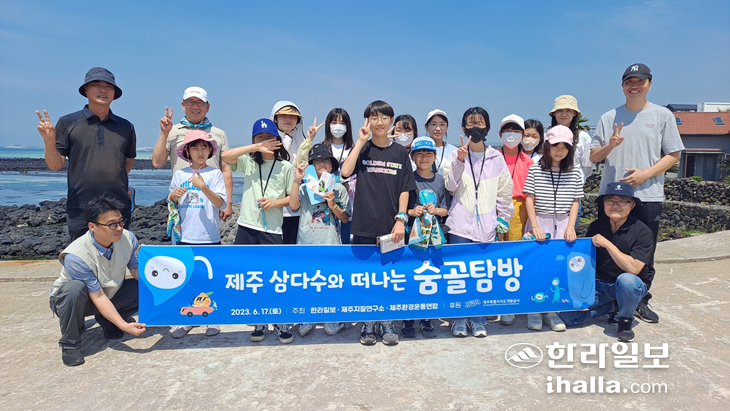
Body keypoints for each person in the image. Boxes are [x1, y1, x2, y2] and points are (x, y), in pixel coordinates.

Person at [590, 63, 685, 324]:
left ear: (649, 84)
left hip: (648, 194)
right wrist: (610, 145)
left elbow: (674, 155)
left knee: (645, 253)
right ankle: (612, 298)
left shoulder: (662, 115)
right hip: (612, 197)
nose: (634, 86)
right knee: (606, 249)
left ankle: (640, 299)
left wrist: (645, 174)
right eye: (629, 82)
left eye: (640, 81)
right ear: (622, 86)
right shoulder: (608, 117)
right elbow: (594, 156)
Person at [341, 100, 417, 346]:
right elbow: (345, 172)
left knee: (388, 276)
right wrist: (360, 141)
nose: (379, 122)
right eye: (374, 118)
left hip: (390, 226)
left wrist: (400, 219)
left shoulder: (400, 153)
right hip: (363, 224)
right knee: (365, 277)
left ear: (391, 121)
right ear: (367, 122)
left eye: (384, 118)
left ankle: (386, 322)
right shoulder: (362, 149)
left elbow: (405, 188)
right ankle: (367, 323)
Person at [36, 67, 136, 242]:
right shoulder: (68, 122)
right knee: (81, 256)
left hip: (118, 206)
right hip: (80, 206)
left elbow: (127, 163)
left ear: (114, 93)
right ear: (86, 90)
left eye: (108, 87)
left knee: (118, 256)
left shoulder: (126, 126)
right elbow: (55, 165)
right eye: (97, 85)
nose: (103, 90)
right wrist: (49, 141)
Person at [48, 196, 146, 366]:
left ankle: (108, 320)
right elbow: (98, 296)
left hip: (109, 293)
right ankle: (70, 344)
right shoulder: (76, 255)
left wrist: (147, 262)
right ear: (92, 226)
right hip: (76, 301)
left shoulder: (128, 238)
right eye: (112, 225)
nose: (119, 228)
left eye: (121, 222)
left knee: (143, 288)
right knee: (74, 289)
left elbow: (136, 273)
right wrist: (124, 326)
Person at [221, 118, 294, 344]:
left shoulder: (286, 166)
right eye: (260, 137)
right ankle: (259, 320)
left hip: (272, 229)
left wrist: (275, 202)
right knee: (250, 275)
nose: (265, 141)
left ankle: (279, 321)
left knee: (274, 277)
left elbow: (293, 200)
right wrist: (255, 147)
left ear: (278, 140)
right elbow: (225, 157)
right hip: (247, 226)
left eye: (269, 137)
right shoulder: (250, 162)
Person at [443, 107, 514, 338]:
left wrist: (503, 218)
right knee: (459, 274)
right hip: (460, 225)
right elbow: (450, 186)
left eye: (480, 123)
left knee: (482, 276)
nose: (476, 127)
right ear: (464, 128)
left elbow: (504, 191)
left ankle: (478, 319)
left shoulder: (496, 158)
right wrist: (460, 161)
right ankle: (458, 319)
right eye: (471, 123)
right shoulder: (455, 155)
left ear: (488, 127)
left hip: (487, 226)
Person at [559, 182, 654, 342]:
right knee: (568, 317)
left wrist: (607, 244)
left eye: (621, 201)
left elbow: (633, 269)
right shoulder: (596, 226)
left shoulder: (642, 231)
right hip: (600, 284)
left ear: (631, 205)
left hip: (628, 285)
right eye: (610, 201)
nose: (615, 205)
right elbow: (585, 262)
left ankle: (625, 320)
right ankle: (613, 306)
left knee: (627, 280)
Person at [523, 125, 584, 332]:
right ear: (547, 146)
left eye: (564, 147)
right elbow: (529, 198)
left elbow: (575, 201)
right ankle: (534, 310)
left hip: (564, 223)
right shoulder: (535, 168)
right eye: (555, 146)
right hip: (540, 220)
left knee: (558, 268)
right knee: (537, 267)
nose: (560, 151)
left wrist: (571, 226)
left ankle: (552, 312)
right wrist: (535, 226)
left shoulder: (575, 171)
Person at [167, 130, 226, 338]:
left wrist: (203, 187)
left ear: (210, 151)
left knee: (210, 279)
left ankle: (212, 317)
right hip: (184, 236)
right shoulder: (179, 175)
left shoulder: (214, 174)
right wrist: (173, 196)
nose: (200, 152)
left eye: (204, 147)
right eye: (195, 148)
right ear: (187, 152)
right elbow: (171, 203)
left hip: (209, 236)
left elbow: (220, 203)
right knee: (187, 278)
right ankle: (188, 318)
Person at [289, 144, 351, 337]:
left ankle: (334, 317)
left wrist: (332, 205)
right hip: (306, 242)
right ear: (312, 166)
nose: (322, 164)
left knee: (332, 281)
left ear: (332, 165)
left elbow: (345, 218)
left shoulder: (338, 188)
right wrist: (297, 180)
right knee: (307, 280)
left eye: (325, 161)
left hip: (331, 242)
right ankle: (307, 316)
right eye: (317, 161)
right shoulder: (305, 186)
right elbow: (293, 206)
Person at [152, 86, 234, 221]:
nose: (195, 106)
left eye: (200, 102)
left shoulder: (219, 134)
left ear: (207, 107)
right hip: (182, 201)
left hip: (210, 202)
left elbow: (225, 169)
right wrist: (164, 133)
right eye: (190, 102)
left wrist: (228, 201)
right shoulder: (172, 131)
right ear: (183, 105)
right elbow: (157, 162)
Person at [402, 136, 449, 338]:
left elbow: (445, 209)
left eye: (428, 153)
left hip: (433, 238)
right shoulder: (408, 179)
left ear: (434, 156)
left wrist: (435, 210)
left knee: (429, 277)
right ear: (412, 157)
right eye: (419, 153)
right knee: (410, 276)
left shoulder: (440, 180)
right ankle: (408, 318)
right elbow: (402, 207)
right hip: (412, 237)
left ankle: (427, 317)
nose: (424, 157)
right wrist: (412, 212)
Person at [294, 108, 356, 244]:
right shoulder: (321, 147)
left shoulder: (354, 149)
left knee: (340, 245)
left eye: (342, 123)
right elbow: (302, 164)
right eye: (334, 122)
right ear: (328, 125)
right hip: (315, 204)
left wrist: (348, 185)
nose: (338, 126)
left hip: (347, 207)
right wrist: (309, 139)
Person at [496, 114, 533, 326]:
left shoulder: (528, 161)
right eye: (508, 130)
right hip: (494, 205)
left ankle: (510, 304)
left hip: (519, 208)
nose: (512, 135)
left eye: (516, 131)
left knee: (514, 254)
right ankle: (494, 299)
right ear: (500, 134)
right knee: (495, 252)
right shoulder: (492, 156)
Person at [270, 101, 306, 244]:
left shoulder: (301, 140)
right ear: (275, 118)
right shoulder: (269, 141)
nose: (288, 119)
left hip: (296, 205)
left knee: (292, 244)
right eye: (283, 115)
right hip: (274, 203)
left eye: (292, 116)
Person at [549, 95, 593, 181]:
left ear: (574, 114)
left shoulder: (583, 137)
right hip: (547, 183)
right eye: (560, 110)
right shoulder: (546, 136)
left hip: (573, 185)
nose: (564, 114)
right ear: (554, 113)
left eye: (568, 110)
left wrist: (578, 180)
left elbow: (587, 165)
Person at [425, 109, 458, 176]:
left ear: (447, 127)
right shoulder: (420, 149)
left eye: (442, 124)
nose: (438, 128)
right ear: (427, 127)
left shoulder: (454, 151)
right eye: (434, 124)